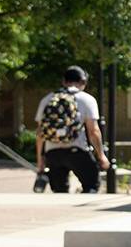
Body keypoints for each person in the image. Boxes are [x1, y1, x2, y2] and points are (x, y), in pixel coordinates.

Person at [33, 65, 110, 193]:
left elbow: (40, 133)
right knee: (92, 185)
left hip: (52, 153)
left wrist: (40, 161)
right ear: (83, 82)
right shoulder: (87, 99)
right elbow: (93, 131)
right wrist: (101, 156)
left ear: (63, 81)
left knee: (59, 192)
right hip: (77, 150)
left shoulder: (47, 99)